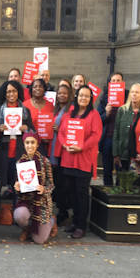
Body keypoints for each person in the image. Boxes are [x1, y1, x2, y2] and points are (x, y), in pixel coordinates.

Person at [57, 85, 103, 239]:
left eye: (87, 96)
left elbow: (96, 136)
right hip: (68, 159)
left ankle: (81, 225)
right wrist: (64, 144)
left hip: (83, 160)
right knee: (70, 193)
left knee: (81, 194)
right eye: (81, 95)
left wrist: (81, 147)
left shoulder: (94, 115)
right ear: (76, 96)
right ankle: (74, 222)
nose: (83, 98)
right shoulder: (70, 113)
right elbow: (62, 132)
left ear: (91, 99)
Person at [0, 81, 33, 211]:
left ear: (18, 92)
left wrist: (27, 128)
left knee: (18, 186)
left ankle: (17, 213)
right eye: (8, 91)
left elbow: (32, 132)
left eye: (14, 91)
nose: (11, 94)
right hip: (2, 153)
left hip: (19, 153)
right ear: (4, 93)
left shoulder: (25, 111)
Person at [14, 132, 56, 244]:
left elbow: (51, 185)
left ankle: (52, 221)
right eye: (27, 143)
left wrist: (44, 189)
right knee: (20, 215)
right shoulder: (20, 163)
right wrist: (17, 188)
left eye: (33, 142)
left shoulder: (45, 162)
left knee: (39, 240)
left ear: (37, 144)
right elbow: (19, 188)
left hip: (41, 203)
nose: (30, 145)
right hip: (26, 201)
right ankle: (27, 229)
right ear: (24, 144)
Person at [49, 83, 73, 225]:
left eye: (64, 93)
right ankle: (59, 210)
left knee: (63, 184)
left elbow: (72, 128)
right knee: (57, 182)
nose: (62, 95)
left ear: (69, 95)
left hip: (63, 150)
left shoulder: (70, 109)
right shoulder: (56, 109)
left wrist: (60, 129)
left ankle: (63, 212)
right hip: (53, 148)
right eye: (59, 93)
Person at [97, 72, 126, 185]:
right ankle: (107, 189)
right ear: (109, 83)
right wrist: (106, 113)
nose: (116, 83)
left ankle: (119, 190)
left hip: (121, 139)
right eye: (113, 81)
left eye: (118, 80)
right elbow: (98, 119)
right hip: (108, 138)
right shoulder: (104, 99)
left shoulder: (127, 97)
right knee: (107, 168)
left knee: (120, 168)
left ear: (122, 83)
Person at [112, 83, 140, 174]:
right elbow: (116, 132)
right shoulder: (122, 110)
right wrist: (115, 154)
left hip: (137, 154)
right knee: (121, 181)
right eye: (132, 92)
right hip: (122, 152)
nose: (134, 94)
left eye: (137, 92)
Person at [23, 78, 55, 154]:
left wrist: (53, 128)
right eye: (35, 86)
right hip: (29, 146)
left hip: (45, 145)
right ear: (31, 89)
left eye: (40, 86)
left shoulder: (50, 105)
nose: (38, 88)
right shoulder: (25, 105)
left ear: (44, 89)